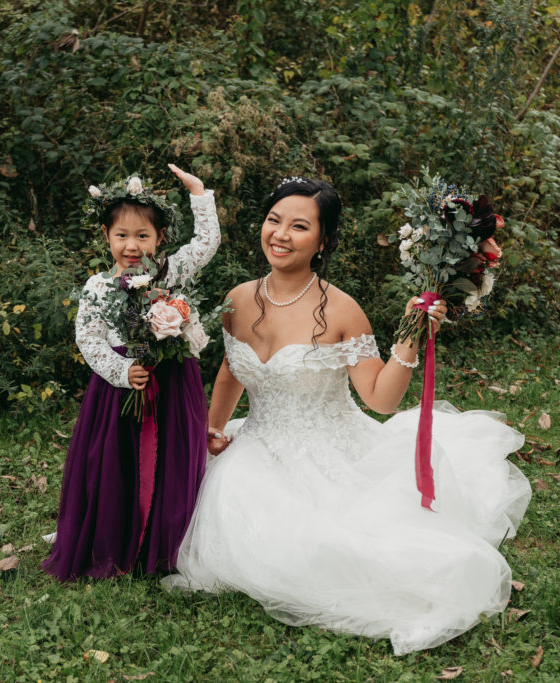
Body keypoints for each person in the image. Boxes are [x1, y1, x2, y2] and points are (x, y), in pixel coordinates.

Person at [163, 177, 531, 654]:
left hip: (328, 451)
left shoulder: (341, 310)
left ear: (323, 242)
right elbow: (232, 370)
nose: (280, 234)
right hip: (254, 445)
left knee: (331, 547)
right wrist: (212, 430)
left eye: (299, 226)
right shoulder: (239, 298)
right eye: (274, 220)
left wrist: (412, 332)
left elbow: (380, 400)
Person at [42, 164, 219, 580]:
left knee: (170, 461)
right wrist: (123, 371)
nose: (132, 245)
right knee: (115, 464)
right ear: (106, 236)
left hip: (172, 383)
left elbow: (207, 242)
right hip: (119, 390)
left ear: (159, 240)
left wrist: (199, 195)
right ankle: (114, 536)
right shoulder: (97, 287)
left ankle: (165, 540)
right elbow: (89, 339)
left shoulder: (167, 272)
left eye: (143, 236)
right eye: (122, 235)